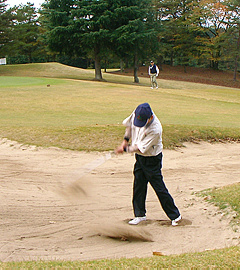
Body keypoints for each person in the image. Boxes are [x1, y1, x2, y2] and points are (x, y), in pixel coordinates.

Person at [115, 103, 181, 226]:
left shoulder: (155, 129)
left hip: (152, 159)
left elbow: (140, 148)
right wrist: (125, 141)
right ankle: (140, 215)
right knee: (138, 185)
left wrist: (124, 149)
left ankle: (175, 216)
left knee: (158, 187)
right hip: (140, 158)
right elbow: (129, 125)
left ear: (150, 117)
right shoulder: (138, 112)